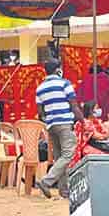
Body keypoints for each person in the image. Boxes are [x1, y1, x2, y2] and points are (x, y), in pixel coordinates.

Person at [34, 58, 83, 199]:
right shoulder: (64, 84)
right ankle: (46, 181)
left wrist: (49, 118)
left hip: (51, 125)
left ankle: (64, 191)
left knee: (59, 158)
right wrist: (82, 120)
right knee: (68, 154)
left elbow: (40, 112)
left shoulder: (40, 88)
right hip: (65, 123)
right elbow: (74, 105)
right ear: (58, 69)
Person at [72, 102, 109, 166]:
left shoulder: (96, 122)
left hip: (98, 145)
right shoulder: (85, 123)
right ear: (90, 111)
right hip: (86, 147)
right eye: (97, 108)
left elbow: (105, 132)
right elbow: (98, 136)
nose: (99, 110)